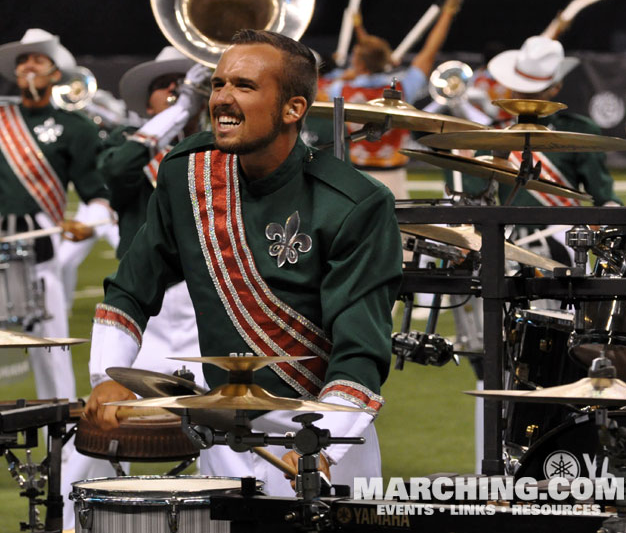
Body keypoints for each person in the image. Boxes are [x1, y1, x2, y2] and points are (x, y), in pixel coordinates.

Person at [84, 30, 402, 495]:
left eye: (244, 86)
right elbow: (132, 287)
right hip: (222, 438)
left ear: (293, 109)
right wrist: (108, 375)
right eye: (218, 84)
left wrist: (323, 447)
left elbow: (361, 350)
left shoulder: (355, 203)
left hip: (324, 440)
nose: (223, 99)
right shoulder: (186, 174)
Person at [0, 29, 108, 500]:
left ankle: (69, 453)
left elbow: (96, 191)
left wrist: (89, 220)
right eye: (22, 62)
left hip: (43, 253)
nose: (28, 68)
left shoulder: (75, 127)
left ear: (55, 72)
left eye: (37, 61)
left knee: (49, 349)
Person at [61, 46, 210, 531]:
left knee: (224, 433)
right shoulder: (129, 142)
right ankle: (69, 523)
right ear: (151, 105)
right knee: (97, 435)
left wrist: (197, 114)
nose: (178, 93)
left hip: (208, 306)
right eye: (166, 87)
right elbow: (114, 174)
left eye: (185, 85)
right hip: (141, 308)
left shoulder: (217, 151)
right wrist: (180, 110)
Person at [316, 0, 465, 200]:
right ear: (385, 61)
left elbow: (319, 82)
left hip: (356, 179)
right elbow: (429, 51)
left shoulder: (338, 90)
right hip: (395, 179)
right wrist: (448, 12)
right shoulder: (402, 89)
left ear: (358, 63)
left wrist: (347, 73)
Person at [482, 35, 620, 263]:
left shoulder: (577, 131)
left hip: (564, 243)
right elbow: (478, 197)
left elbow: (603, 195)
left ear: (556, 88)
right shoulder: (496, 135)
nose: (524, 94)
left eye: (532, 89)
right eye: (522, 87)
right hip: (509, 243)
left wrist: (610, 214)